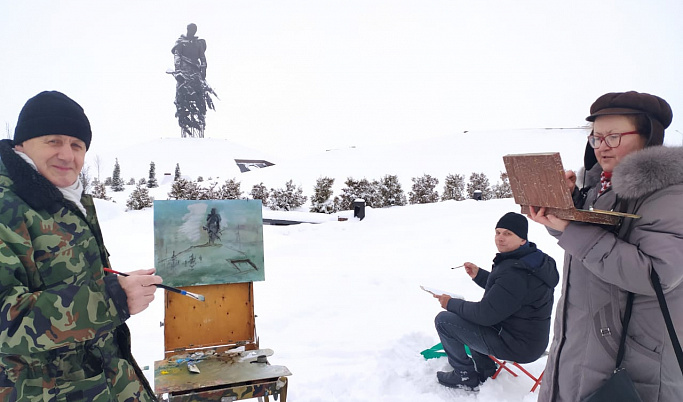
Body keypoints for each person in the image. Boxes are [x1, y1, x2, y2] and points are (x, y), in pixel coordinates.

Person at [0, 91, 162, 401]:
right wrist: (110, 298)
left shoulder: (66, 200)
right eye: (53, 141)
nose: (67, 155)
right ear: (22, 144)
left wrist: (114, 282)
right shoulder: (7, 207)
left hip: (104, 380)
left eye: (77, 145)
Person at [528, 91, 683, 401]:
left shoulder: (670, 194)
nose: (601, 147)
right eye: (596, 137)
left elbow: (655, 274)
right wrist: (567, 207)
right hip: (582, 347)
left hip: (636, 363)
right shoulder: (600, 186)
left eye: (613, 137)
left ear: (649, 135)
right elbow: (590, 249)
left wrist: (573, 229)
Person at [433, 212, 558, 391]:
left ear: (523, 239)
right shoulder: (532, 261)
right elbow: (509, 294)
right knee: (468, 316)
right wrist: (480, 275)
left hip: (516, 345)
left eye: (507, 233)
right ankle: (486, 369)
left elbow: (485, 315)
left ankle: (464, 375)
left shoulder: (515, 272)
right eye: (497, 232)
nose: (500, 238)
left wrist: (450, 303)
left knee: (444, 320)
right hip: (528, 340)